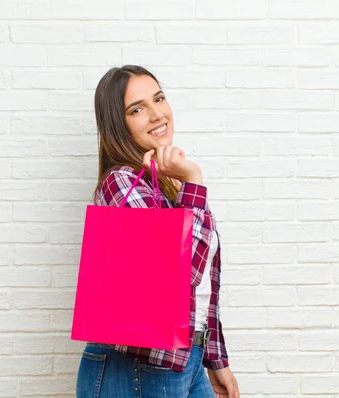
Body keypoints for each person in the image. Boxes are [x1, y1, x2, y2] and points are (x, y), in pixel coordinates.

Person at [76, 65, 239, 398]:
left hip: (185, 360)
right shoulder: (120, 183)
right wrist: (193, 179)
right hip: (136, 365)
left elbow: (204, 286)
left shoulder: (167, 184)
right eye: (137, 109)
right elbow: (180, 277)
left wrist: (214, 358)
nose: (156, 115)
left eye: (159, 99)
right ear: (118, 126)